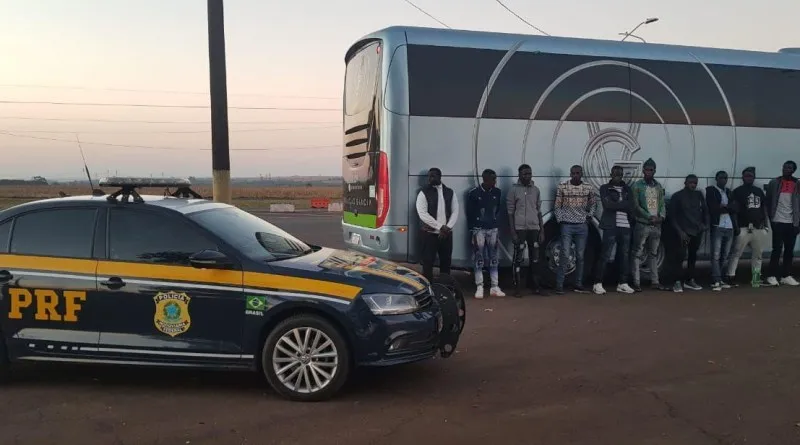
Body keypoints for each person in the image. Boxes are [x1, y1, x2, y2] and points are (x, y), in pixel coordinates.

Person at [553, 164, 597, 294]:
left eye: (578, 173)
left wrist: (589, 217)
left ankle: (578, 283)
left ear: (581, 174)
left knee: (580, 256)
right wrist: (561, 220)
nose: (575, 175)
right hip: (567, 225)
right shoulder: (563, 186)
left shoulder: (588, 187)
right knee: (565, 254)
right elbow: (557, 205)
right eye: (573, 173)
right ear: (570, 173)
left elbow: (594, 203)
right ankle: (559, 284)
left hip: (582, 225)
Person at [592, 165, 635, 294]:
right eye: (615, 174)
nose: (618, 176)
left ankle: (622, 283)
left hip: (625, 226)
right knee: (605, 255)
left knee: (624, 256)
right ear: (611, 174)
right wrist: (623, 205)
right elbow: (607, 205)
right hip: (610, 226)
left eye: (620, 174)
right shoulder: (605, 188)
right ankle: (597, 283)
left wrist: (618, 205)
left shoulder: (627, 189)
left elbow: (631, 205)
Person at [726, 167, 770, 287]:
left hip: (758, 227)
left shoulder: (759, 191)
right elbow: (733, 211)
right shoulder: (737, 191)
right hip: (744, 227)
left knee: (758, 255)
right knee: (736, 253)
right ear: (742, 177)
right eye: (746, 176)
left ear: (754, 177)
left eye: (750, 176)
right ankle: (731, 276)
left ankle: (755, 279)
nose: (748, 178)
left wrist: (766, 225)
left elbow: (763, 208)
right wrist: (736, 227)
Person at [507, 163, 547, 295]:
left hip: (534, 228)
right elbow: (510, 213)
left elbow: (539, 211)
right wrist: (513, 232)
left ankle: (535, 286)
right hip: (519, 228)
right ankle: (517, 288)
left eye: (529, 173)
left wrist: (542, 230)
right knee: (518, 258)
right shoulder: (513, 190)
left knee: (535, 258)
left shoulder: (536, 190)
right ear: (519, 175)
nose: (527, 176)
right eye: (525, 174)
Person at [666, 174, 709, 292]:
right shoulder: (677, 196)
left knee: (693, 256)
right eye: (690, 182)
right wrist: (680, 232)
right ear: (685, 183)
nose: (693, 185)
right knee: (679, 257)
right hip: (683, 232)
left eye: (695, 183)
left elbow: (705, 211)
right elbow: (672, 217)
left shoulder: (699, 195)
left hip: (697, 231)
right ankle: (677, 282)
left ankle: (690, 280)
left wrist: (705, 225)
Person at [466, 169, 505, 298]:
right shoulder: (474, 193)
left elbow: (497, 209)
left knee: (494, 257)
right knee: (479, 258)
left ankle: (494, 286)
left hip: (493, 229)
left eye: (495, 179)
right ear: (485, 180)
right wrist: (473, 230)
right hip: (479, 229)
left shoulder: (497, 192)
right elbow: (470, 213)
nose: (495, 182)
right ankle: (480, 286)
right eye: (492, 179)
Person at [415, 167, 459, 282]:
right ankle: (428, 289)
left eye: (433, 176)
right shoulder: (423, 193)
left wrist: (447, 228)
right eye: (429, 176)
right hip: (429, 234)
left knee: (446, 263)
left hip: (446, 235)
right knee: (428, 263)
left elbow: (455, 211)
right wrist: (440, 227)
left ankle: (445, 288)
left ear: (439, 177)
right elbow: (422, 214)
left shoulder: (450, 192)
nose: (430, 179)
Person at [630, 158, 667, 292]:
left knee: (653, 253)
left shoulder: (658, 186)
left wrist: (661, 217)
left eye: (651, 170)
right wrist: (648, 216)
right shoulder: (637, 186)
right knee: (637, 253)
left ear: (655, 171)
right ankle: (636, 282)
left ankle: (655, 281)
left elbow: (662, 204)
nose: (649, 172)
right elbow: (636, 206)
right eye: (646, 170)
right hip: (642, 224)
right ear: (643, 170)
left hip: (656, 225)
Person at [764, 160, 800, 287]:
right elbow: (768, 201)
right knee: (777, 249)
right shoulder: (774, 182)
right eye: (785, 167)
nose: (786, 169)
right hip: (777, 221)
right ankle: (771, 275)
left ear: (793, 170)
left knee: (789, 250)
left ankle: (786, 275)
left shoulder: (797, 183)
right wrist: (770, 218)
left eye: (789, 168)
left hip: (792, 222)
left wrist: (798, 223)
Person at [705, 170, 738, 291]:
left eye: (725, 178)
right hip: (717, 225)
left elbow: (735, 208)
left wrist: (725, 207)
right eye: (721, 178)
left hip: (729, 226)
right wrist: (728, 207)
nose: (723, 180)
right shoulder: (711, 190)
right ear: (716, 179)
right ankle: (716, 279)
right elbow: (713, 208)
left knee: (725, 254)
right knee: (716, 254)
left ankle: (720, 278)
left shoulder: (729, 192)